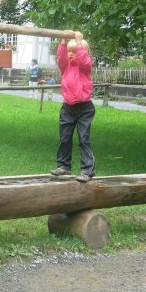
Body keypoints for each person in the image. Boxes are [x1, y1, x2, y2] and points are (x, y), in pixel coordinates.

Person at [50, 32, 96, 183]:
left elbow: (83, 60)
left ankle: (87, 171)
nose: (71, 54)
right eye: (69, 51)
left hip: (84, 108)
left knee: (83, 139)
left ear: (83, 52)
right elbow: (61, 57)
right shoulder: (65, 67)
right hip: (68, 108)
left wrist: (79, 41)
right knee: (65, 138)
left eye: (74, 51)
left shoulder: (85, 66)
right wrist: (63, 41)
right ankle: (64, 166)